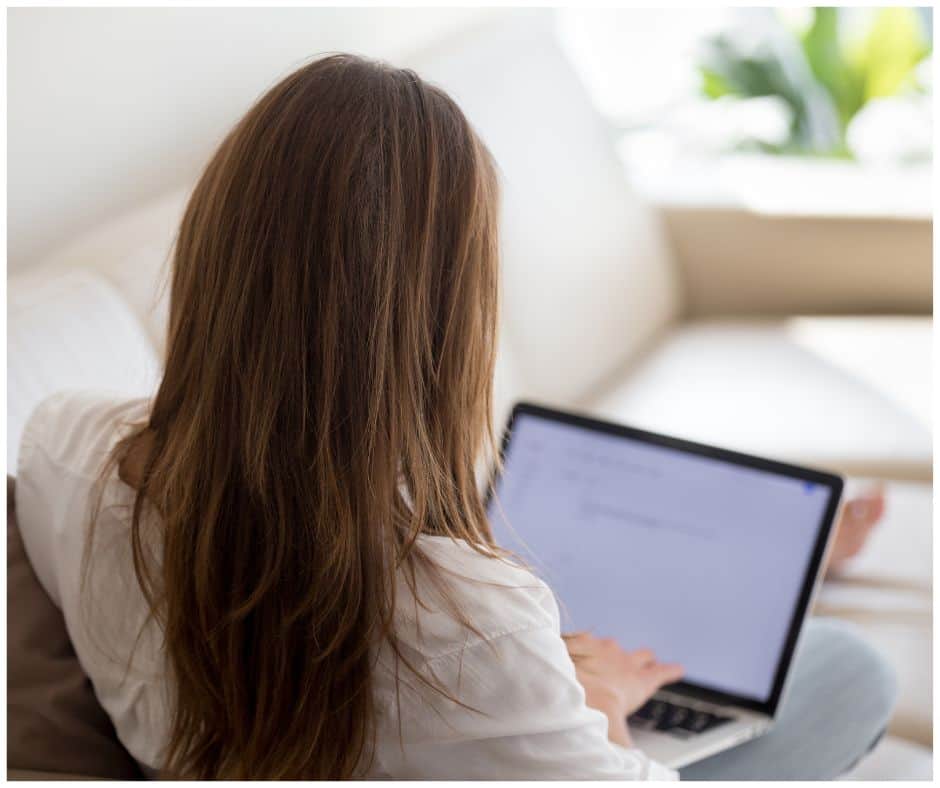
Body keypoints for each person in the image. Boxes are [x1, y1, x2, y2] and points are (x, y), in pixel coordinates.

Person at [14, 54, 895, 780]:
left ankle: (779, 575)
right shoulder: (470, 624)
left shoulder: (62, 449)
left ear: (217, 247)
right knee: (847, 668)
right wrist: (605, 708)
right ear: (444, 312)